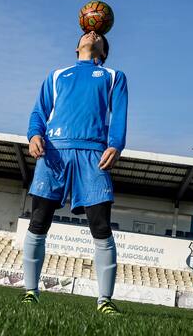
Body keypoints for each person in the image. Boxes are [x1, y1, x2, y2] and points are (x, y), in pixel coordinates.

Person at [21, 30, 128, 315]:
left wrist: (116, 145)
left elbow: (119, 114)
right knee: (38, 221)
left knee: (101, 226)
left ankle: (104, 300)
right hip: (55, 151)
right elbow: (39, 113)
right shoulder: (57, 75)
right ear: (77, 45)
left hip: (93, 154)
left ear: (103, 52)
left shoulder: (113, 77)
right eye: (86, 32)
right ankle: (30, 292)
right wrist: (34, 135)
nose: (92, 34)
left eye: (98, 34)